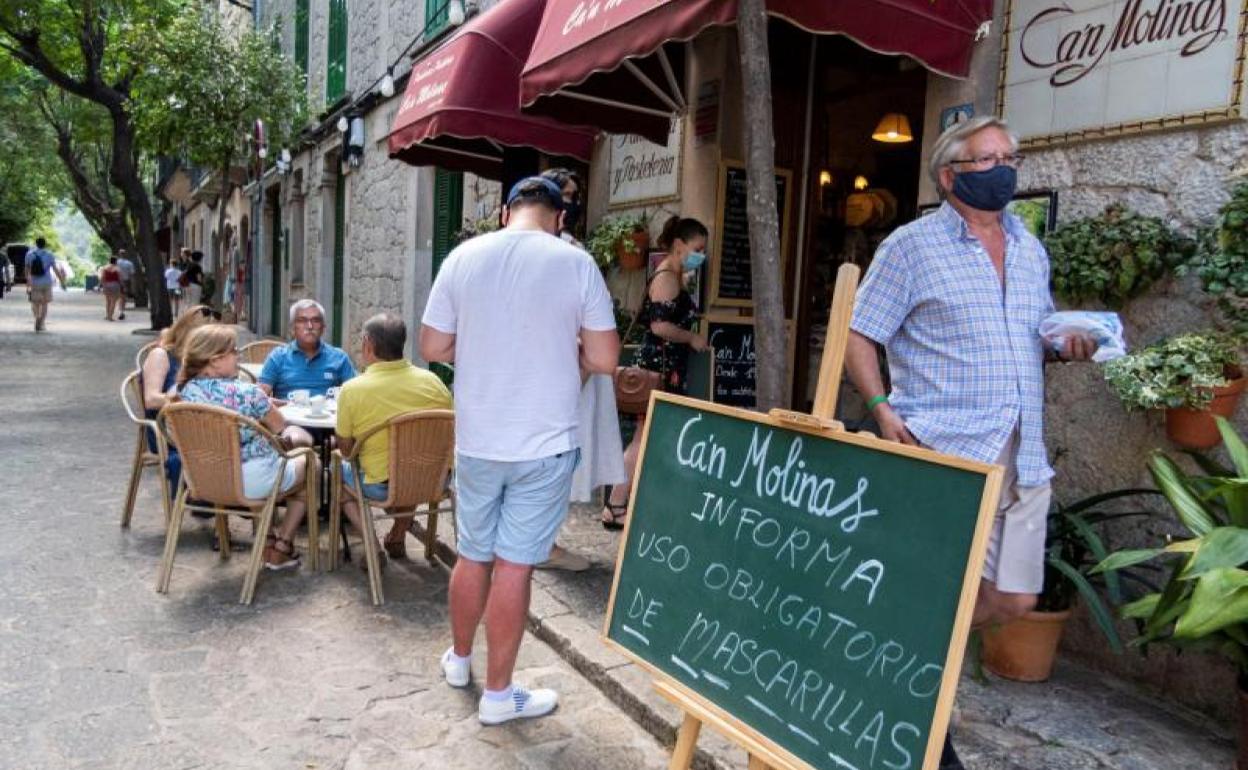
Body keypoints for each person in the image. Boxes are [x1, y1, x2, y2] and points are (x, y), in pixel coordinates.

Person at [844, 116, 1097, 770]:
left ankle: (898, 656)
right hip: (948, 450)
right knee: (943, 590)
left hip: (1025, 449)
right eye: (988, 159)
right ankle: (926, 727)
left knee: (1013, 598)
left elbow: (1033, 333)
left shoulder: (1030, 246)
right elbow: (859, 332)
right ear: (951, 174)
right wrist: (880, 408)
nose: (1005, 169)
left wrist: (1064, 343)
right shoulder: (910, 246)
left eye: (1010, 156)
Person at [421, 176, 619, 724]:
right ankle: (499, 696)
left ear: (506, 212)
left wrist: (485, 354)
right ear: (559, 218)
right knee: (514, 567)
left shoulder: (463, 257)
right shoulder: (576, 264)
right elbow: (604, 358)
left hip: (479, 440)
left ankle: (460, 661)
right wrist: (566, 359)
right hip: (544, 444)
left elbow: (433, 345)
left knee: (473, 554)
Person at [536, 167, 626, 572]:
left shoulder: (570, 248)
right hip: (567, 368)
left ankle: (544, 539)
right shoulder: (558, 253)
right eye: (567, 195)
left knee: (569, 449)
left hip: (581, 367)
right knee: (556, 449)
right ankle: (543, 543)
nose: (573, 203)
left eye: (575, 195)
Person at [177, 324, 316, 570]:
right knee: (310, 462)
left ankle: (268, 540)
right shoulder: (247, 393)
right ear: (214, 360)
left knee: (255, 459)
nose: (238, 356)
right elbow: (281, 427)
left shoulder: (183, 393)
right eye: (233, 351)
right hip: (248, 482)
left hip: (204, 480)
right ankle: (282, 547)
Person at [600, 216, 709, 529]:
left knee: (650, 437)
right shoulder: (665, 278)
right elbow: (659, 326)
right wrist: (690, 337)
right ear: (678, 246)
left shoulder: (675, 276)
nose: (701, 254)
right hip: (658, 369)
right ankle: (616, 503)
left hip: (667, 369)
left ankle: (628, 501)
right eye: (697, 248)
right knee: (643, 437)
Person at [335, 313, 453, 566]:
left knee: (336, 472)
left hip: (383, 486)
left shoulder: (353, 389)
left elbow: (346, 451)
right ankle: (397, 536)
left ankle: (372, 545)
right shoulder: (434, 382)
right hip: (436, 480)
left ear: (367, 343)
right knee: (411, 464)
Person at [258, 299, 356, 447]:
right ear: (292, 328)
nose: (309, 326)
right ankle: (305, 466)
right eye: (302, 321)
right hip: (293, 425)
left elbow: (356, 394)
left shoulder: (339, 357)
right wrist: (279, 403)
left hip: (333, 425)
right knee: (295, 440)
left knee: (349, 442)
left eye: (315, 321)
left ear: (323, 327)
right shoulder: (278, 357)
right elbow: (258, 396)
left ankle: (336, 468)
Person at [25, 237, 68, 332]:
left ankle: (37, 316)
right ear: (45, 244)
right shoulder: (49, 255)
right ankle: (42, 323)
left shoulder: (29, 254)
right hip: (47, 282)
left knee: (34, 302)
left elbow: (27, 270)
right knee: (44, 303)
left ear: (36, 244)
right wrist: (62, 282)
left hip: (34, 282)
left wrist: (28, 282)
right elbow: (55, 270)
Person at [100, 257, 124, 321]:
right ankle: (110, 316)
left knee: (108, 301)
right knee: (113, 301)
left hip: (106, 285)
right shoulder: (117, 268)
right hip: (115, 285)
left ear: (109, 261)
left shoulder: (104, 268)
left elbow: (102, 277)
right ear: (115, 262)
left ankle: (107, 315)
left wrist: (103, 285)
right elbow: (120, 278)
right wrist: (122, 285)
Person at [116, 249, 135, 320]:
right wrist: (132, 284)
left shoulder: (116, 263)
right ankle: (121, 311)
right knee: (123, 298)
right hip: (126, 281)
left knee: (118, 297)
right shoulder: (129, 263)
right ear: (126, 254)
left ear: (119, 254)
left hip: (117, 281)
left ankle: (119, 311)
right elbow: (132, 274)